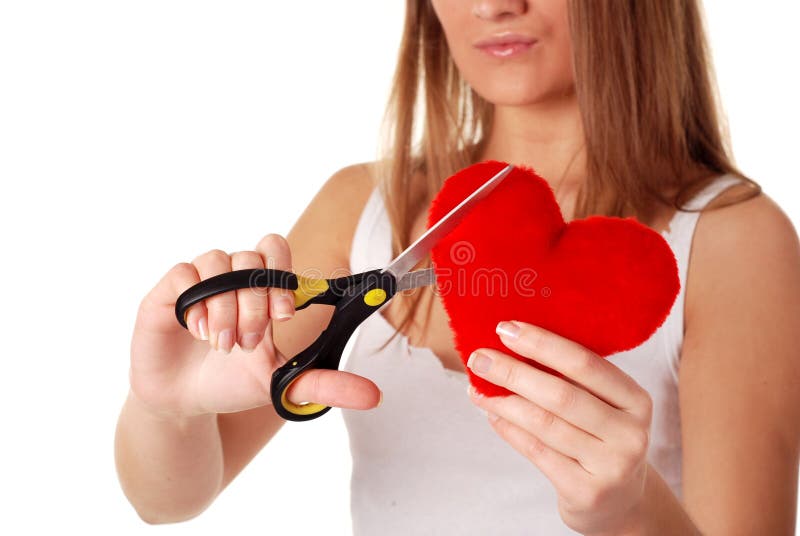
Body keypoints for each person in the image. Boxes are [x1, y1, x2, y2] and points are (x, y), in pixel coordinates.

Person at [114, 1, 800, 534]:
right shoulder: (358, 208)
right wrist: (167, 407)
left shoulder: (731, 239)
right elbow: (165, 504)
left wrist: (628, 514)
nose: (496, 5)